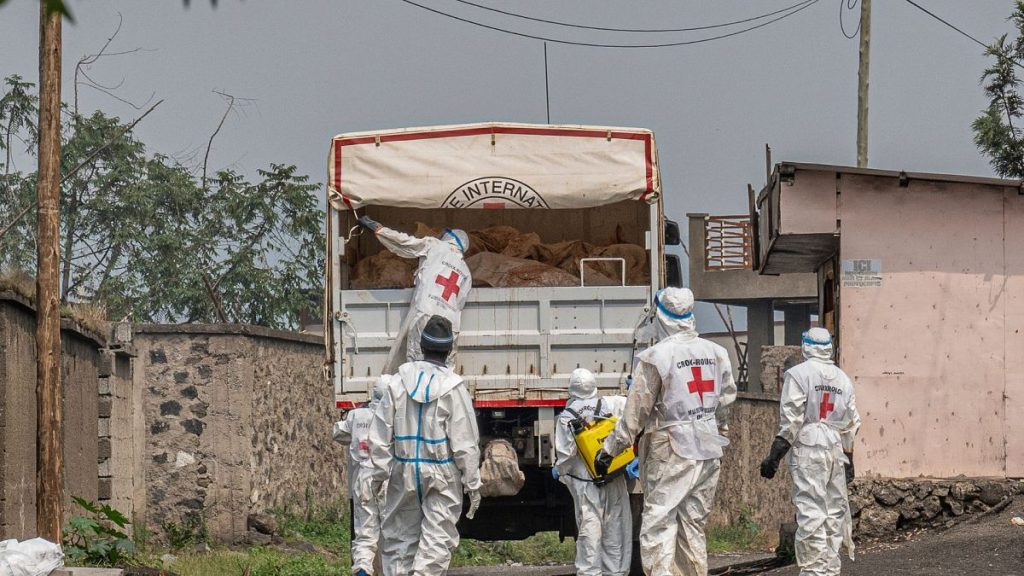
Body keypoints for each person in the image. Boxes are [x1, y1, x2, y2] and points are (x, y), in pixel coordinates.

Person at [595, 287, 737, 576]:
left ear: (662, 317)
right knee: (693, 524)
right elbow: (725, 400)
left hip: (671, 447)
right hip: (708, 446)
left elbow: (635, 414)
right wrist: (719, 429)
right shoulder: (717, 353)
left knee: (658, 522)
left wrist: (610, 449)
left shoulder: (657, 356)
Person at [362, 315, 482, 576]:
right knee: (437, 541)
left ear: (421, 345)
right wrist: (472, 483)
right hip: (442, 474)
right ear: (449, 349)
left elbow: (380, 434)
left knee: (398, 542)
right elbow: (465, 443)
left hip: (402, 471)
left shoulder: (397, 383)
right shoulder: (454, 388)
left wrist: (379, 475)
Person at [759, 327, 861, 576]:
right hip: (835, 449)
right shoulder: (842, 378)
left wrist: (774, 456)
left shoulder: (798, 374)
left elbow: (792, 420)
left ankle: (814, 572)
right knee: (833, 514)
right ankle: (830, 570)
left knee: (811, 513)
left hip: (809, 448)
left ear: (805, 346)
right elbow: (852, 422)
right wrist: (848, 459)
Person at [358, 215, 472, 372]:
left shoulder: (435, 245)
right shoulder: (466, 271)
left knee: (417, 367)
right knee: (446, 373)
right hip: (450, 325)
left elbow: (405, 243)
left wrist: (380, 230)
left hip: (426, 313)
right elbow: (459, 304)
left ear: (449, 237)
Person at [553, 368, 632, 576]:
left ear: (571, 391)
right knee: (616, 537)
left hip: (586, 486)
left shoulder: (566, 417)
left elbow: (566, 457)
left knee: (590, 537)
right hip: (613, 479)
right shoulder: (611, 404)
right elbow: (636, 411)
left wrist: (559, 471)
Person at [332, 375, 390, 576]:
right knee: (393, 535)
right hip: (388, 481)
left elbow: (338, 433)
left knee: (365, 535)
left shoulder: (357, 416)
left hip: (363, 479)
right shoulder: (396, 418)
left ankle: (363, 572)